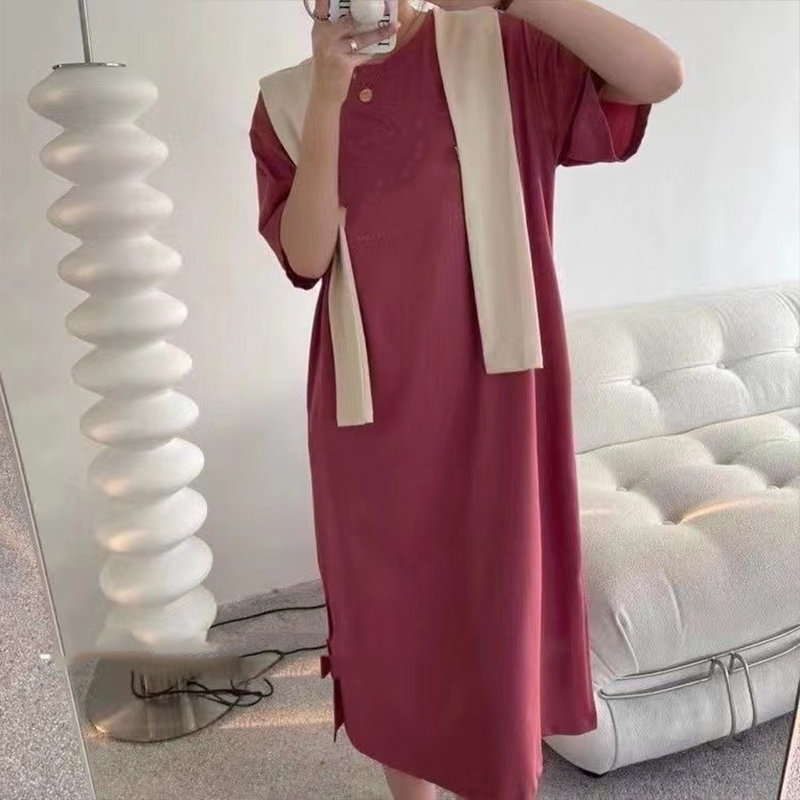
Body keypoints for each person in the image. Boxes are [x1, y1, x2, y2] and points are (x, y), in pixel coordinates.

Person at [249, 1, 682, 798]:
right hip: (366, 414)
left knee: (496, 618)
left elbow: (658, 74)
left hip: (496, 401)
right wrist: (328, 95)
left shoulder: (502, 48)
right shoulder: (286, 98)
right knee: (392, 628)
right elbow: (305, 258)